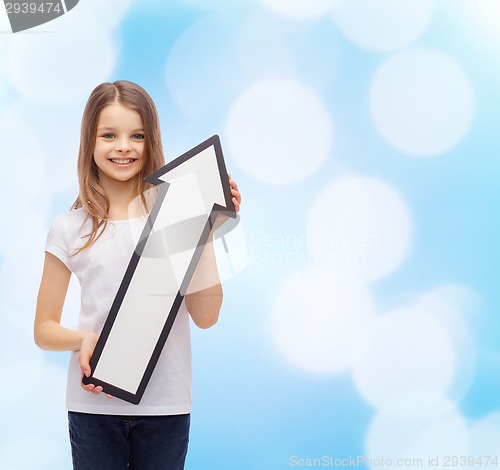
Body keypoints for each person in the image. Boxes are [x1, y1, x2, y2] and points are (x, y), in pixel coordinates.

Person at [34, 80, 241, 470]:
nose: (124, 146)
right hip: (93, 407)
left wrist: (206, 226)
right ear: (89, 142)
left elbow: (206, 317)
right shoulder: (69, 227)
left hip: (166, 406)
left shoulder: (175, 216)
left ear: (151, 142)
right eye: (109, 135)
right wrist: (85, 340)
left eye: (137, 135)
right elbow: (43, 329)